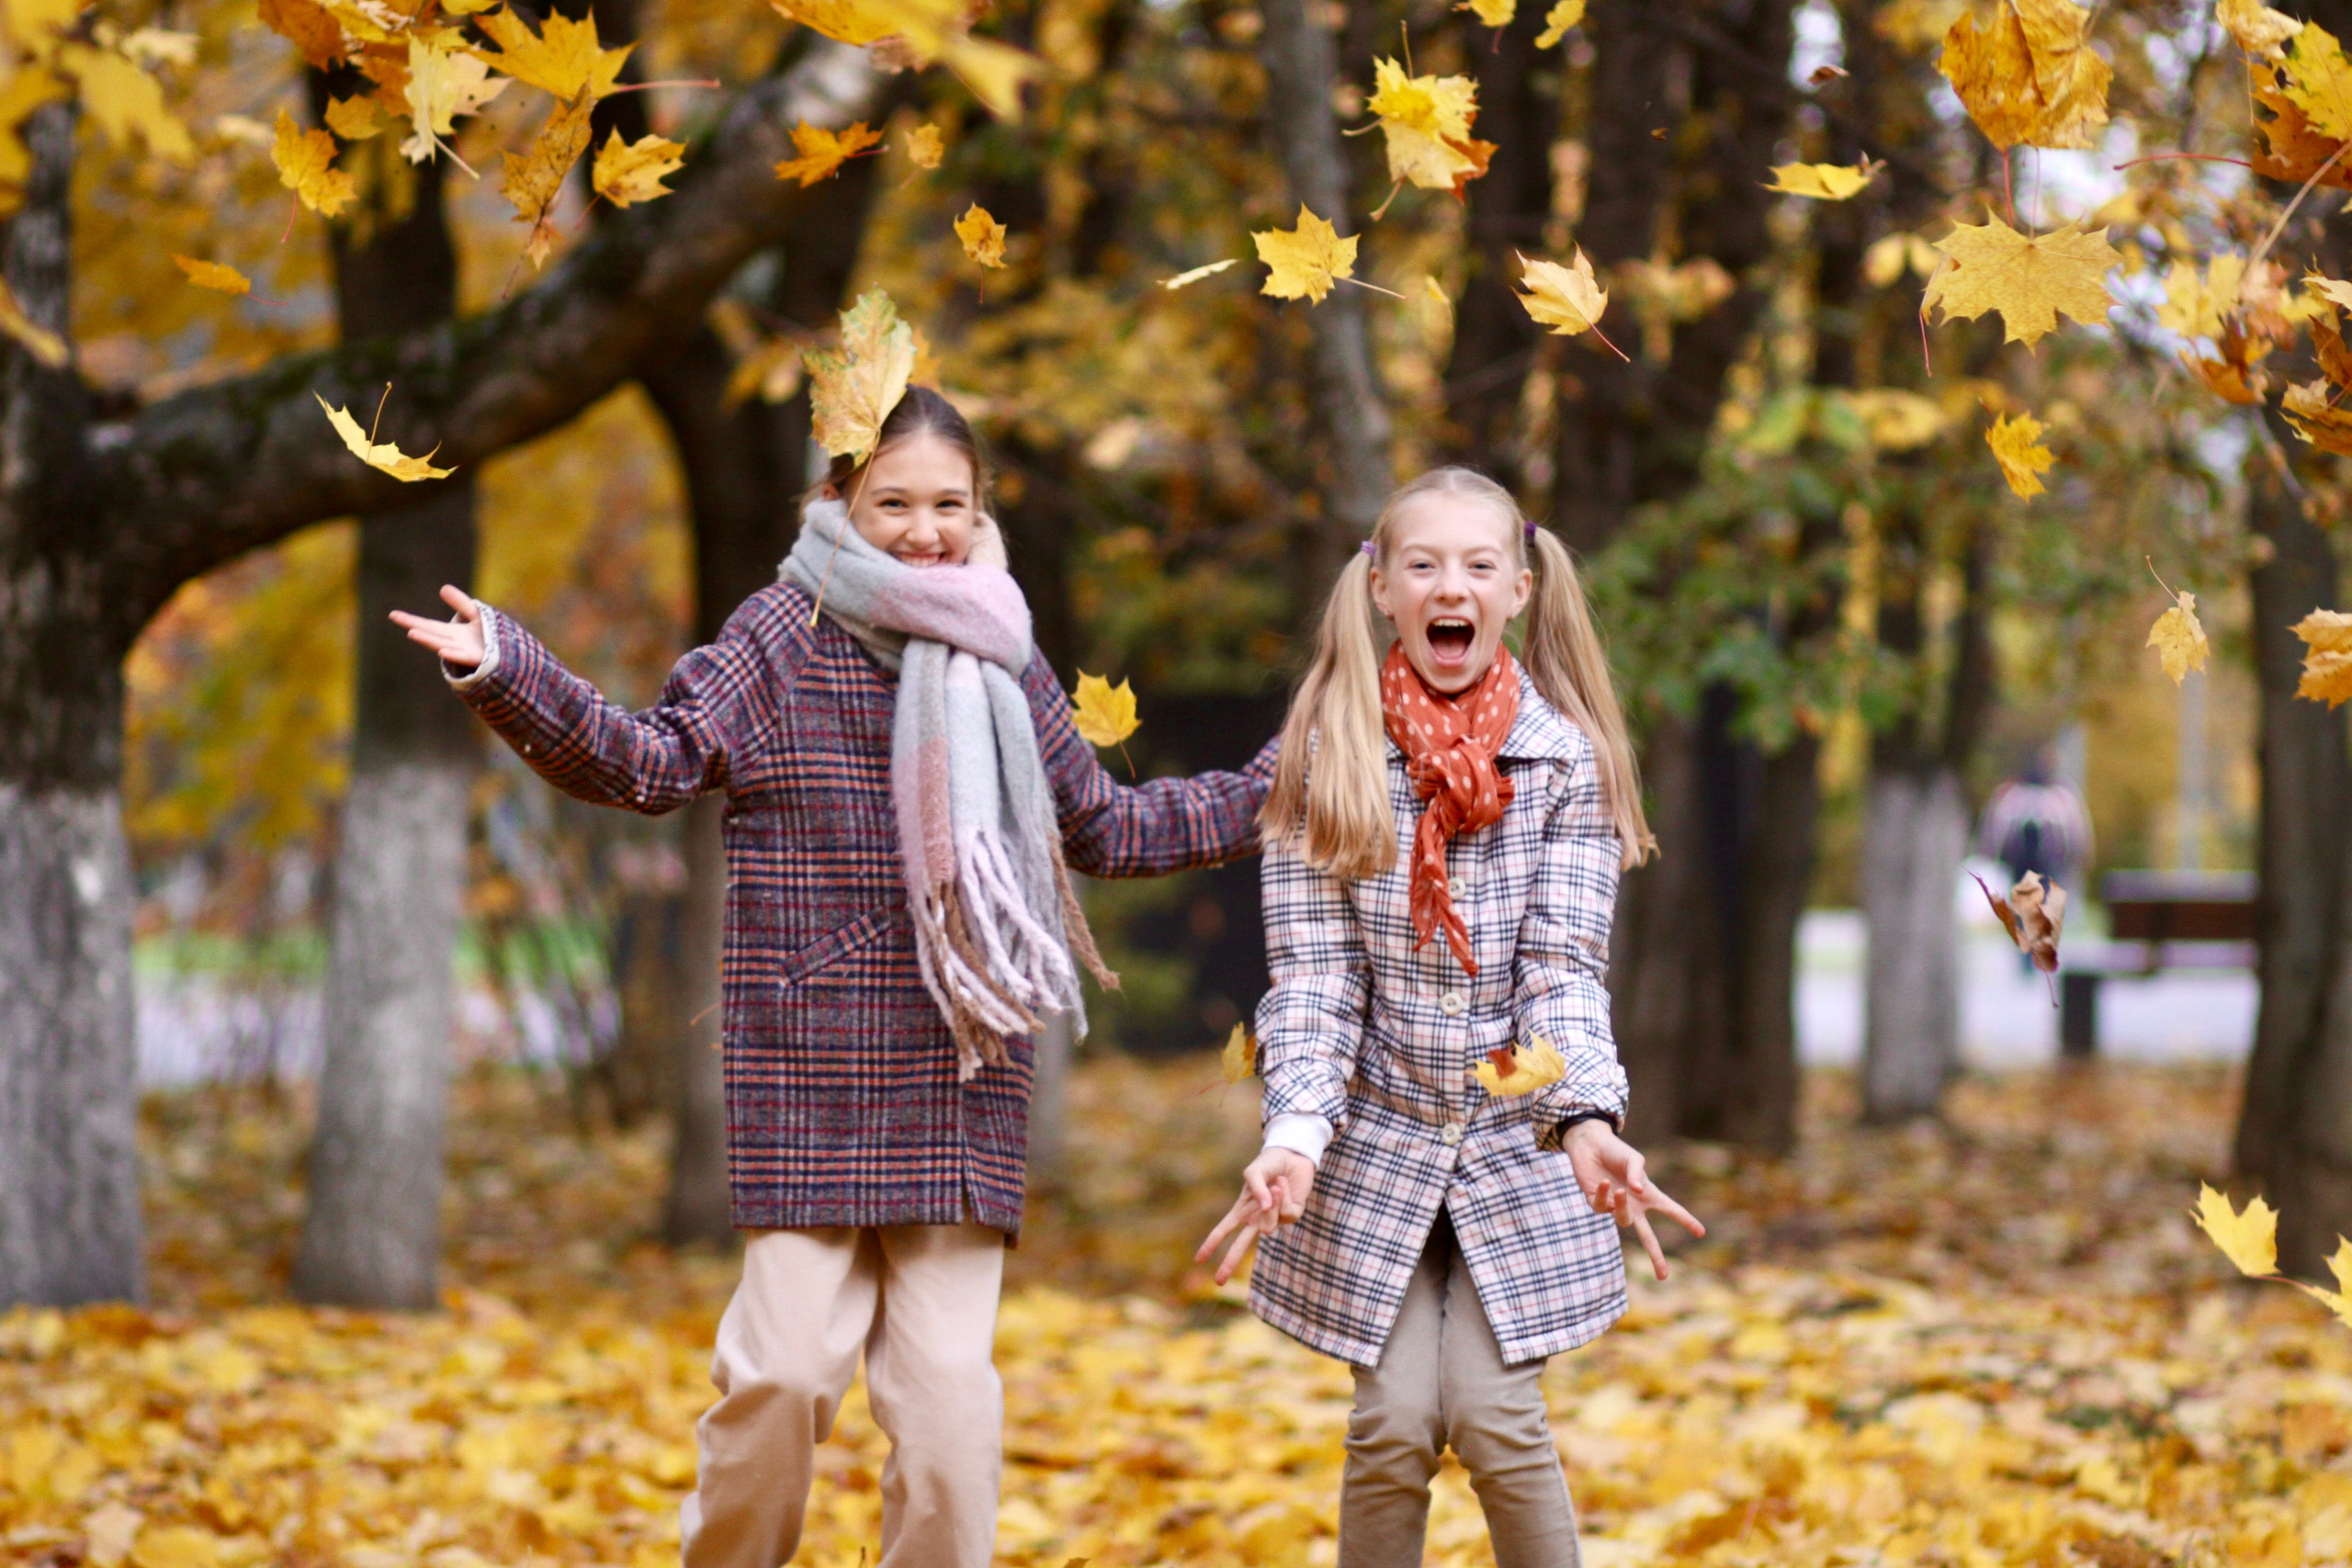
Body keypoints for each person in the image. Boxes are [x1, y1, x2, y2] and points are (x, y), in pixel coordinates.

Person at [392, 386, 1277, 1568]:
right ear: (839, 501)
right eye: (893, 502)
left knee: (952, 1417)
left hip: (959, 1071)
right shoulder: (780, 632)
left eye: (948, 505)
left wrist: (1286, 783)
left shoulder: (999, 648)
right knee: (781, 1379)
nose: (924, 530)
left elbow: (1107, 828)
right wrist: (511, 672)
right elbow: (650, 763)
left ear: (980, 509)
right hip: (805, 1065)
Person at [1196, 468, 1703, 1568]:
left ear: (1517, 589)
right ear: (1381, 588)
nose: (1449, 586)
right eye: (1422, 564)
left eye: (1477, 566)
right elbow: (1316, 985)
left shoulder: (1565, 764)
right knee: (1388, 1428)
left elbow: (1561, 970)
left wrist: (1584, 1123)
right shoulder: (1323, 763)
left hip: (1516, 1148)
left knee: (1495, 1418)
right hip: (1370, 1146)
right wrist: (1292, 1140)